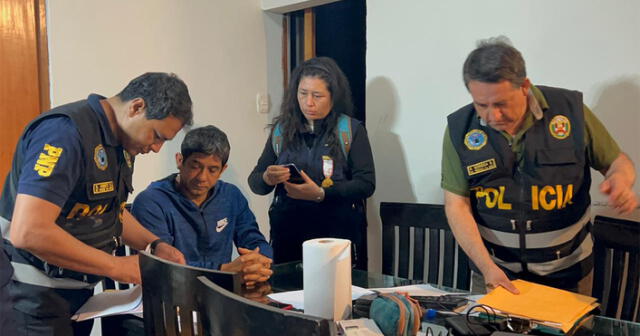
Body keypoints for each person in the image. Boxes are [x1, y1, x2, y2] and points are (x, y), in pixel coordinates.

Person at [441, 37, 638, 295]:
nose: (491, 116)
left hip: (568, 274)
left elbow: (617, 162)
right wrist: (487, 267)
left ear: (524, 86)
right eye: (481, 105)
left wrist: (621, 179)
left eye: (500, 104)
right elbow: (456, 204)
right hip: (495, 272)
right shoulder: (460, 128)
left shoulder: (570, 113)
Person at [0, 72, 192, 335]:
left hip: (79, 298)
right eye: (157, 136)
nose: (157, 148)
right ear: (137, 107)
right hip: (31, 299)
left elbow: (110, 213)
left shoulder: (124, 142)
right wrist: (116, 267)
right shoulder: (64, 134)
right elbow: (29, 231)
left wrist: (153, 244)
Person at [248, 57, 375, 270]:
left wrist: (321, 194)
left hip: (336, 238)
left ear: (334, 97)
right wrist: (267, 177)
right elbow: (255, 182)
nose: (309, 102)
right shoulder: (281, 130)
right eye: (303, 93)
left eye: (317, 96)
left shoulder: (350, 130)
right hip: (288, 237)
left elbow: (366, 183)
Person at [132, 125, 273, 286]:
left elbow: (254, 240)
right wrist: (223, 270)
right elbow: (163, 265)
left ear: (222, 170)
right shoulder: (151, 201)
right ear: (179, 160)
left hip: (222, 294)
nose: (202, 177)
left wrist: (259, 261)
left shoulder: (231, 196)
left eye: (213, 170)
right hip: (170, 293)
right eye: (195, 166)